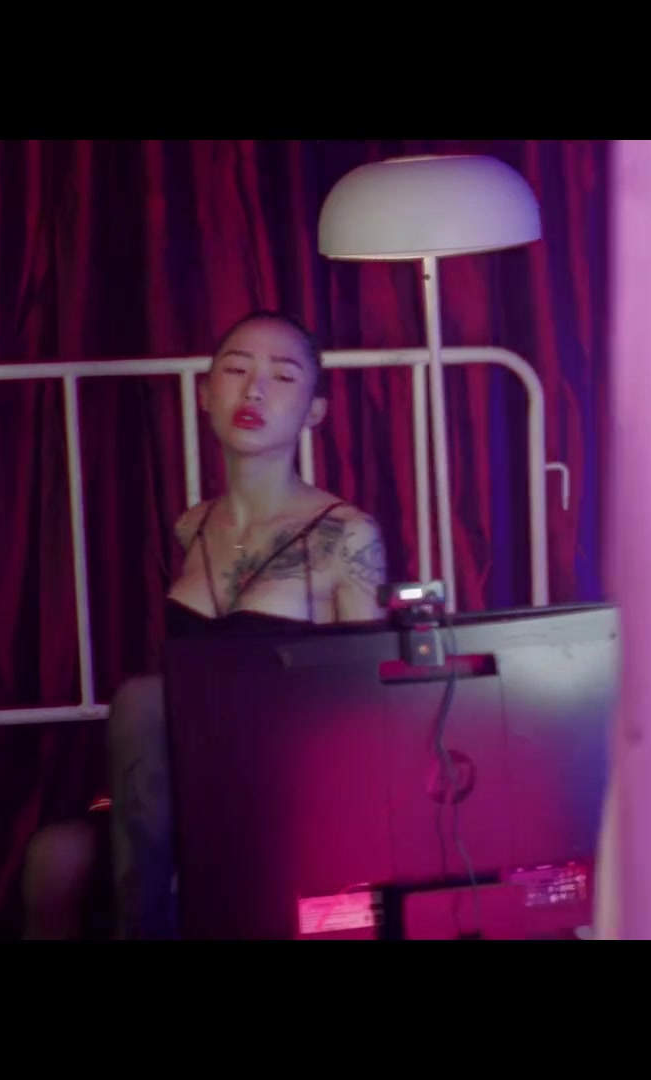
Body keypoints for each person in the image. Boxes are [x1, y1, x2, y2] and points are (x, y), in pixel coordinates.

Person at [21, 309, 389, 939]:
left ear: (315, 412)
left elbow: (367, 702)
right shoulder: (191, 526)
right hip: (179, 783)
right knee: (55, 856)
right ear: (204, 393)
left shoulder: (346, 534)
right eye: (236, 370)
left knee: (142, 699)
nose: (254, 391)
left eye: (282, 377)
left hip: (282, 785)